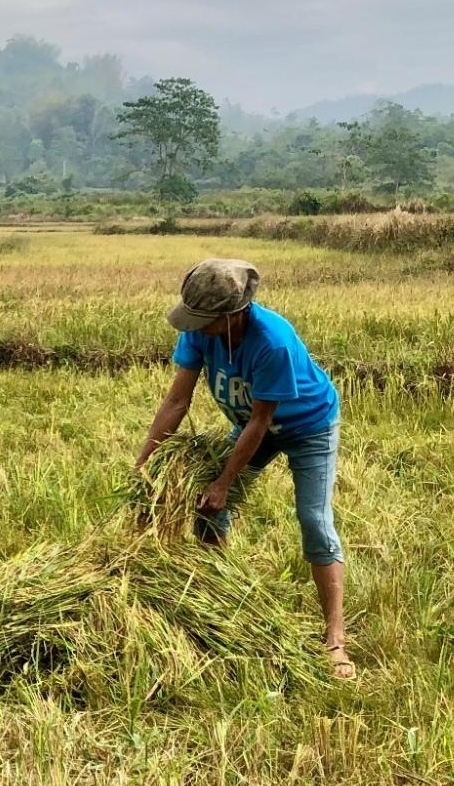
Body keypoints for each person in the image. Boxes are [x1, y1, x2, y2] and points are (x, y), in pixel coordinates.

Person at [134, 258, 355, 679]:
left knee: (314, 520)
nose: (195, 327)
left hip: (308, 426)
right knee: (206, 507)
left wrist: (224, 480)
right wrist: (144, 463)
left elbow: (260, 420)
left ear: (234, 314)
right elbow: (177, 402)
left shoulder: (272, 341)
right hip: (252, 426)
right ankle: (220, 595)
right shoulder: (199, 335)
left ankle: (336, 639)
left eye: (205, 320)